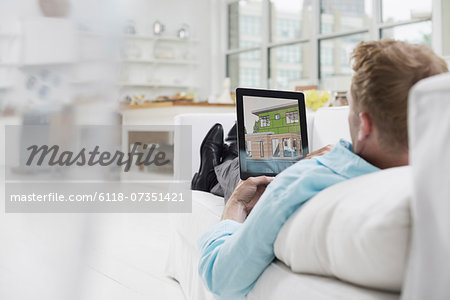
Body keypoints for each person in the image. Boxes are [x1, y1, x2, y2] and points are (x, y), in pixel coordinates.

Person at [195, 39, 448, 299]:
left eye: (350, 107)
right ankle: (224, 157)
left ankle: (213, 170)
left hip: (276, 189)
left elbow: (221, 277)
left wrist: (235, 205)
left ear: (365, 125)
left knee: (239, 174)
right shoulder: (438, 183)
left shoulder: (297, 183)